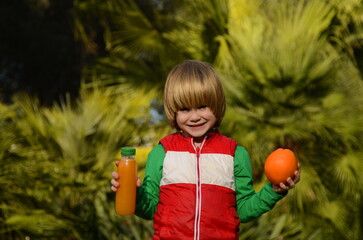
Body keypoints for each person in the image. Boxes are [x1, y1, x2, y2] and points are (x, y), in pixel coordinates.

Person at [111, 60, 300, 240]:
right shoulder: (162, 153)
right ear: (173, 112)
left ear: (216, 104)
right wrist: (132, 194)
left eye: (202, 107)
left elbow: (243, 209)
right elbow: (150, 207)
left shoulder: (235, 154)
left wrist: (274, 190)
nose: (194, 117)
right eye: (184, 109)